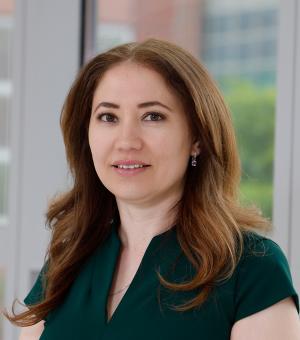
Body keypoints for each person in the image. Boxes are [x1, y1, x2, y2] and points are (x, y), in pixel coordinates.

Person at [5, 38, 300, 339]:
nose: (127, 140)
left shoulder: (252, 269)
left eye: (153, 116)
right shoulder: (67, 259)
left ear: (197, 137)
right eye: (108, 117)